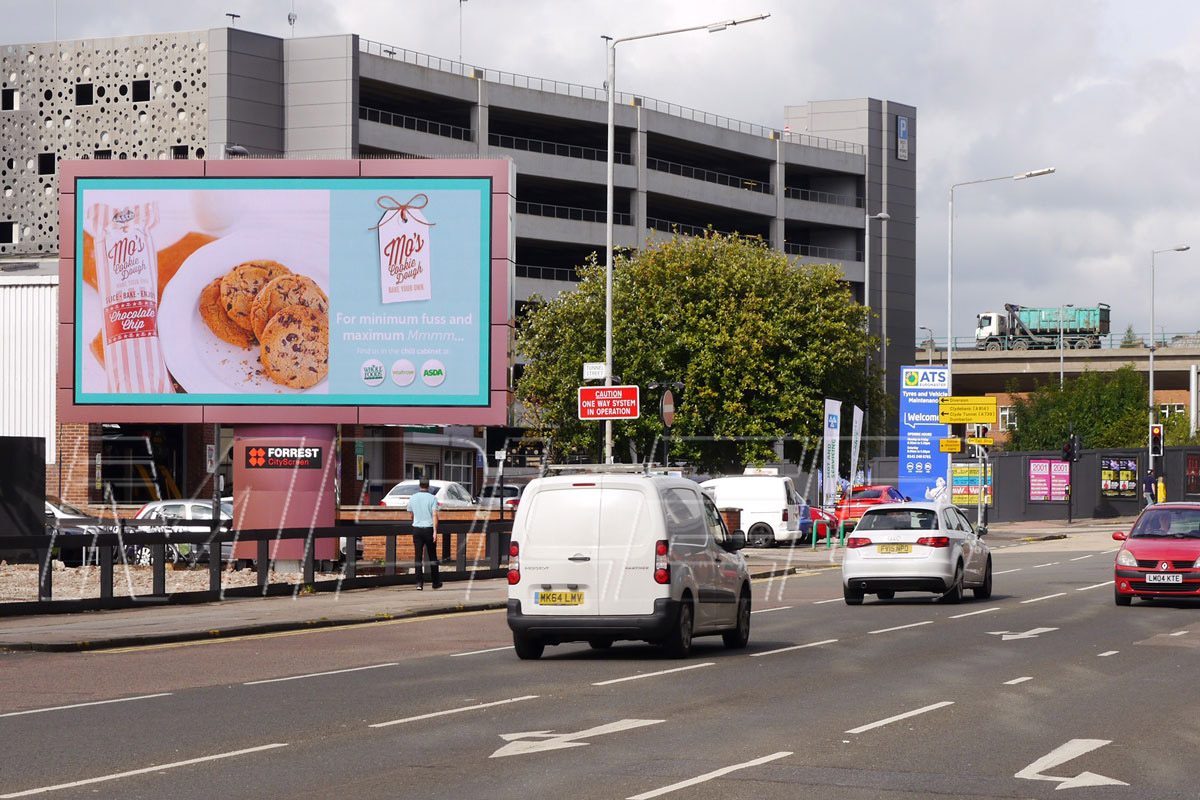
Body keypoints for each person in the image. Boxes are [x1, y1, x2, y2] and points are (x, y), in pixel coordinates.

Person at [408, 476, 442, 590]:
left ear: (419, 486)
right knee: (433, 556)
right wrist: (435, 531)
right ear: (428, 486)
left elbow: (411, 514)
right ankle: (435, 582)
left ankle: (419, 583)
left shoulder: (413, 498)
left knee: (418, 557)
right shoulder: (433, 498)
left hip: (417, 529)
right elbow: (434, 515)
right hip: (429, 529)